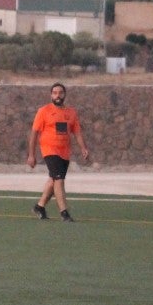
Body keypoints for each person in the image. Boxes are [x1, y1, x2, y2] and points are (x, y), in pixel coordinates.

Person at [28, 82, 91, 221]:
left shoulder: (71, 112)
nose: (58, 95)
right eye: (55, 93)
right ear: (51, 95)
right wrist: (31, 155)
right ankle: (64, 212)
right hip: (49, 150)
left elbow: (77, 133)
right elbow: (34, 134)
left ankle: (40, 206)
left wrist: (83, 148)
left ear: (64, 95)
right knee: (59, 180)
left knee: (53, 179)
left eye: (60, 93)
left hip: (64, 152)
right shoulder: (43, 111)